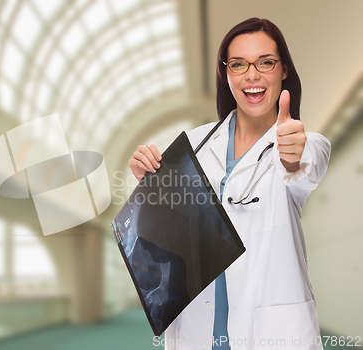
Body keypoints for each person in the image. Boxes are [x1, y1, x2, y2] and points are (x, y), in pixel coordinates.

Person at [128, 18, 330, 350]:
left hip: (269, 334)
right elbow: (165, 234)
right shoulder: (193, 144)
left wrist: (294, 156)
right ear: (226, 73)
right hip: (198, 329)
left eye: (265, 62)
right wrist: (149, 182)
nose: (252, 75)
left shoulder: (305, 142)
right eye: (238, 64)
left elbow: (305, 167)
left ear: (283, 70)